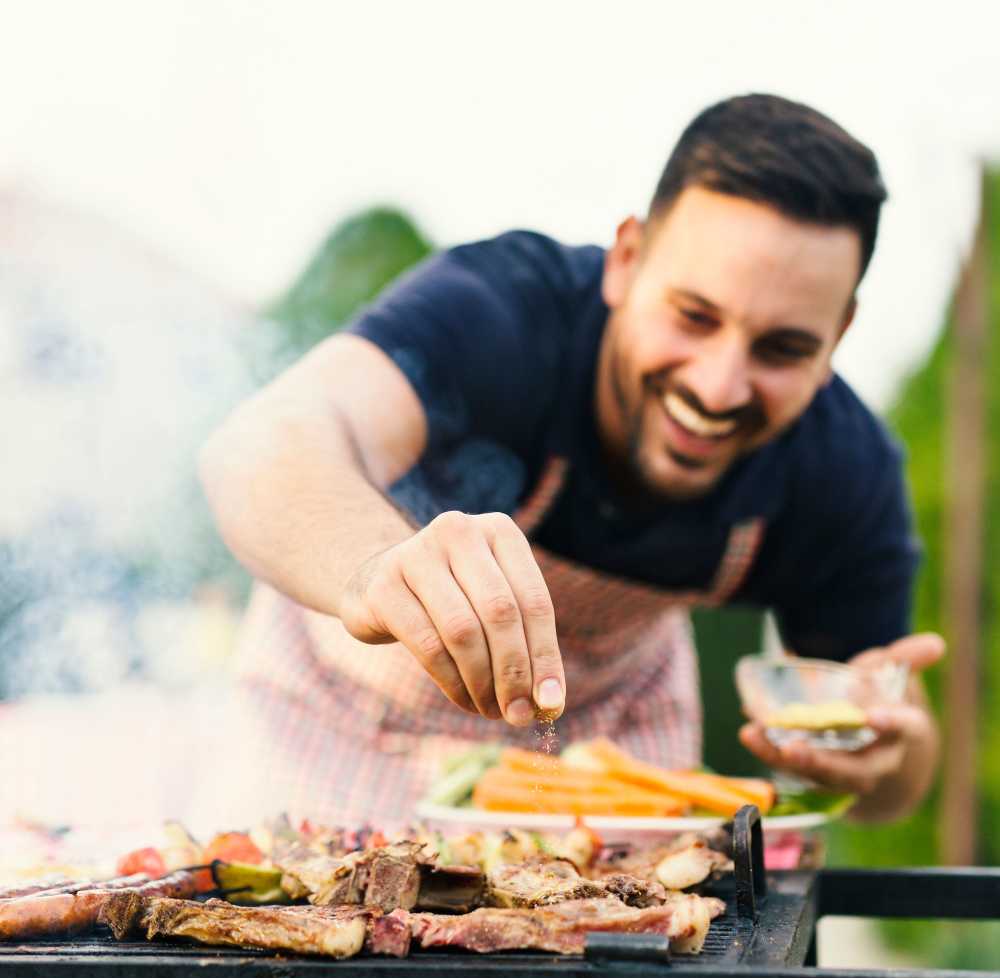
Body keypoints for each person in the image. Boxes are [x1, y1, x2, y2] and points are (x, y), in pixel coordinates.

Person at [200, 93, 941, 827]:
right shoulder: (505, 311)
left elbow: (896, 781)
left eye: (783, 348)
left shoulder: (844, 467)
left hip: (609, 755)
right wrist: (373, 571)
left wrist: (882, 758)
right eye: (693, 316)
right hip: (337, 725)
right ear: (625, 260)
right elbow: (262, 444)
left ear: (838, 334)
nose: (718, 388)